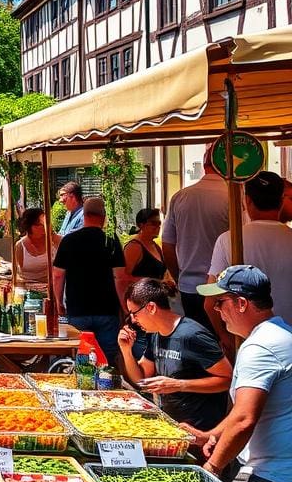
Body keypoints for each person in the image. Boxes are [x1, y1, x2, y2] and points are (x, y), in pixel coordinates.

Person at [190, 266, 292, 482]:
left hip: (272, 475)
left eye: (220, 302)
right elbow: (248, 412)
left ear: (242, 303)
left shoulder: (259, 346)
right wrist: (210, 435)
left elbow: (246, 418)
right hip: (281, 472)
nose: (216, 310)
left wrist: (212, 468)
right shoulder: (282, 333)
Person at [118, 278, 231, 432]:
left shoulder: (192, 335)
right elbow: (142, 379)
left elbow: (227, 379)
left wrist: (179, 385)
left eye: (134, 313)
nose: (132, 320)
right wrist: (126, 351)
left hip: (200, 430)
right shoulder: (155, 334)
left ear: (151, 307)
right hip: (173, 427)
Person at [208, 171, 292, 328]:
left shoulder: (228, 240)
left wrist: (225, 338)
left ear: (247, 201)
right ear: (281, 201)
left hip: (247, 336)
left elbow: (210, 300)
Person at [161, 147, 229, 331]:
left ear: (205, 166)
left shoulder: (180, 197)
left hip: (189, 285)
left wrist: (178, 276)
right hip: (223, 287)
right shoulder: (232, 196)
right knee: (224, 342)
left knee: (195, 342)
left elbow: (167, 244)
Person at [52, 196, 124, 364]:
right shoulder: (111, 241)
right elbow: (120, 277)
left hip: (77, 308)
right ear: (103, 217)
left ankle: (83, 388)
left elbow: (57, 275)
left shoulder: (69, 240)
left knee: (82, 355)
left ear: (83, 215)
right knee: (107, 358)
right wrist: (124, 307)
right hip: (107, 309)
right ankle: (106, 388)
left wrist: (58, 302)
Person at [117, 208, 168, 299]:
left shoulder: (156, 246)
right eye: (153, 223)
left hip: (154, 299)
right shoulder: (134, 247)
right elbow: (123, 278)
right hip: (139, 300)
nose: (158, 227)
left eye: (159, 223)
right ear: (141, 225)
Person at [13, 207, 61, 286]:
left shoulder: (54, 240)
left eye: (45, 223)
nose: (44, 227)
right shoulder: (20, 246)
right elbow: (17, 272)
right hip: (27, 288)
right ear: (29, 226)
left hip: (50, 288)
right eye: (40, 224)